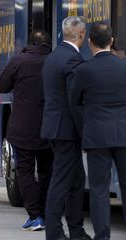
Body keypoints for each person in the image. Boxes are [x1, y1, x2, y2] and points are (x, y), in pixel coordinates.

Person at [69, 23, 126, 240]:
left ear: (90, 42)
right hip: (123, 135)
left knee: (99, 190)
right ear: (111, 41)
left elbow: (74, 101)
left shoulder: (84, 70)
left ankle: (102, 236)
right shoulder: (124, 67)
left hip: (96, 137)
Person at [0, 30, 53, 231]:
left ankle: (34, 216)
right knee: (47, 171)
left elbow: (2, 86)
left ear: (30, 43)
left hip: (23, 128)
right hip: (49, 127)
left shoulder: (18, 61)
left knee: (25, 171)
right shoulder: (54, 61)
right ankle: (46, 213)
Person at [41, 16, 91, 240]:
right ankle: (54, 233)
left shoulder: (53, 56)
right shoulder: (73, 60)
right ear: (81, 35)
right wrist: (85, 132)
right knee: (61, 183)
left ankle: (77, 230)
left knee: (77, 180)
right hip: (66, 131)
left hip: (54, 127)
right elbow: (75, 101)